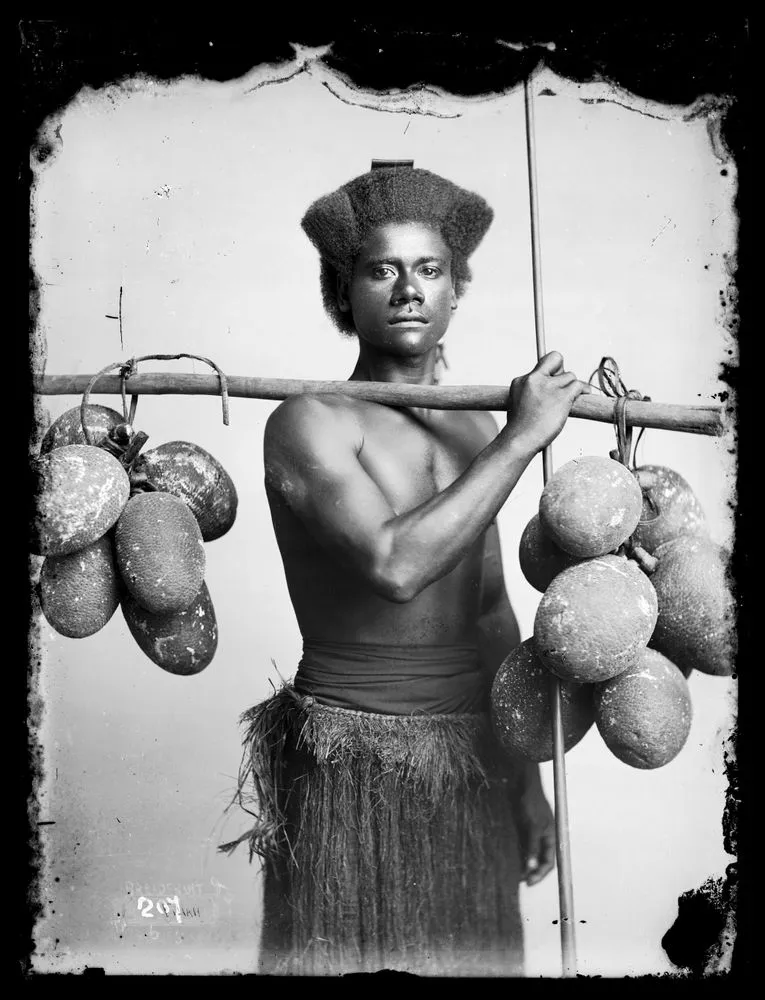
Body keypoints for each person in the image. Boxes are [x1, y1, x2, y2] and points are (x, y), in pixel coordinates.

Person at [221, 162, 591, 977]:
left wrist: (528, 784)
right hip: (348, 755)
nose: (407, 290)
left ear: (455, 288)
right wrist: (520, 439)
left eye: (428, 269)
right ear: (342, 292)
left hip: (471, 758)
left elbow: (490, 613)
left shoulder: (469, 435)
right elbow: (394, 566)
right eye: (381, 270)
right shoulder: (309, 422)